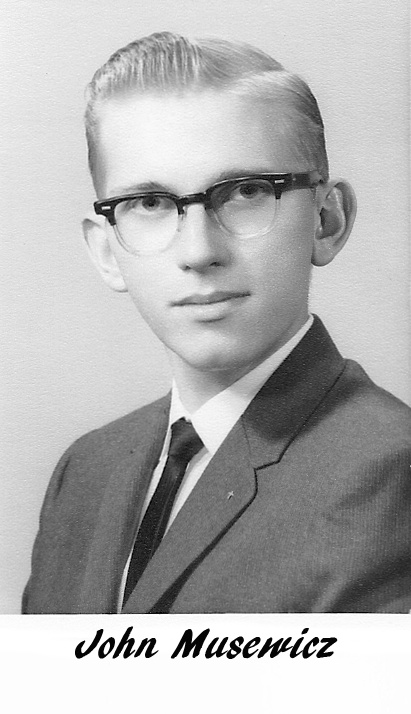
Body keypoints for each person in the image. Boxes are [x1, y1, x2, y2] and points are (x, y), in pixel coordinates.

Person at [23, 32, 411, 614]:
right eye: (150, 203)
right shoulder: (84, 472)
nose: (199, 251)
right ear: (106, 251)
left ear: (326, 221)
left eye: (247, 191)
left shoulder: (391, 476)